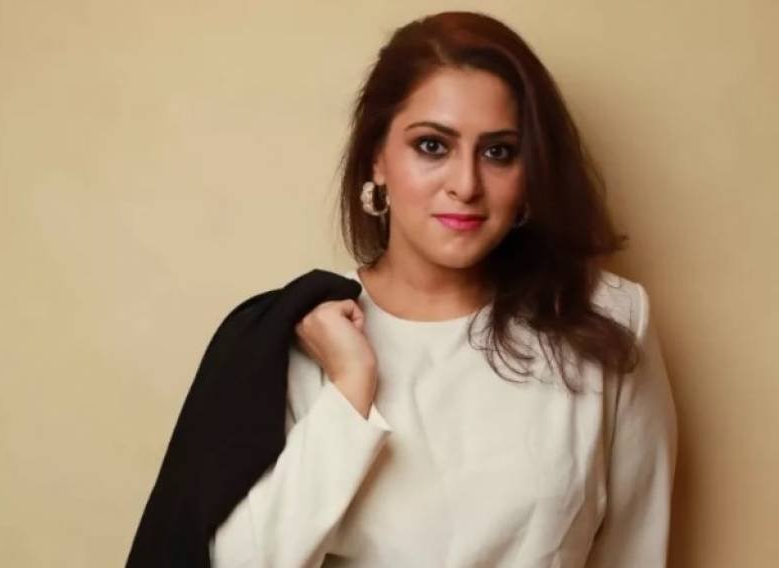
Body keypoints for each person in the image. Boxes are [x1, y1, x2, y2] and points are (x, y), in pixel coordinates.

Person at [210, 10, 677, 568]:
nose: (466, 184)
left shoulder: (608, 318)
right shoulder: (305, 334)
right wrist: (350, 391)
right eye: (432, 146)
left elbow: (635, 551)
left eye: (499, 151)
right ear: (377, 158)